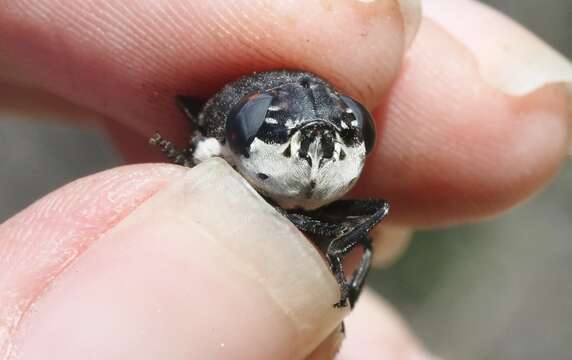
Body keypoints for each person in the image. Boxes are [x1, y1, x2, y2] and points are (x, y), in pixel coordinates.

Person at [0, 0, 570, 359]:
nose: (318, 154)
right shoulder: (236, 120)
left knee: (367, 231)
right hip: (231, 147)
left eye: (348, 137)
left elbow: (366, 223)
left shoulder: (316, 142)